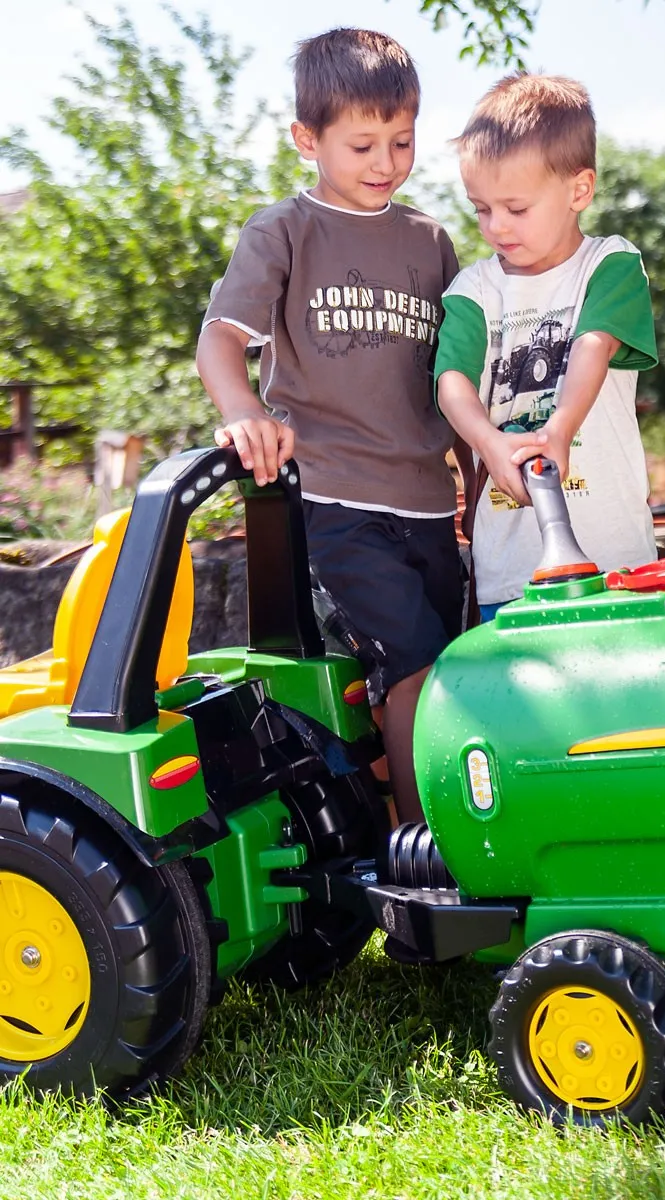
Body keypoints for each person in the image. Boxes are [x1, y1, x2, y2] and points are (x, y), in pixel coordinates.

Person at [195, 28, 463, 823]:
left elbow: (456, 376)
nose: (386, 162)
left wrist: (481, 480)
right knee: (415, 670)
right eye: (362, 145)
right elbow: (220, 339)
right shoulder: (283, 230)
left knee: (443, 672)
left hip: (426, 503)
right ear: (307, 140)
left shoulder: (431, 242)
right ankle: (427, 854)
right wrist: (243, 410)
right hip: (334, 502)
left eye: (402, 141)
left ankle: (394, 835)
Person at [434, 73, 659, 620]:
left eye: (516, 208)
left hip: (614, 557)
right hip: (510, 568)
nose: (496, 227)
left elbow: (592, 345)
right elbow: (452, 381)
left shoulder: (609, 264)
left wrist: (560, 429)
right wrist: (489, 443)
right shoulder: (473, 290)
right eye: (481, 208)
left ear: (579, 190)